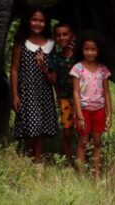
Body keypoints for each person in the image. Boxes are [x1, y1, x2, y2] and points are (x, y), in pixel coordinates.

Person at [10, 7, 59, 161]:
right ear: (28, 21)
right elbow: (14, 70)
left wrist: (43, 67)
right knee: (31, 125)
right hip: (27, 91)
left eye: (41, 20)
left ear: (46, 23)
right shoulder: (21, 43)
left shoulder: (51, 44)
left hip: (44, 91)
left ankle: (37, 159)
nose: (37, 23)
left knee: (41, 127)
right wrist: (15, 95)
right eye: (34, 19)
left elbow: (53, 73)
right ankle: (27, 157)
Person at [70, 30, 112, 177]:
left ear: (98, 50)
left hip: (99, 110)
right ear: (81, 50)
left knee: (97, 142)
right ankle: (80, 174)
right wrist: (80, 115)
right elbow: (75, 92)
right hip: (84, 110)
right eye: (86, 49)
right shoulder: (77, 69)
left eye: (93, 49)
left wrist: (109, 113)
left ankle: (97, 173)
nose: (90, 52)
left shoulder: (103, 69)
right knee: (82, 142)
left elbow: (106, 92)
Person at [38, 22, 76, 163]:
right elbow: (53, 80)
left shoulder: (79, 56)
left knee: (84, 130)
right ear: (55, 38)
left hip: (82, 99)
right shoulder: (55, 58)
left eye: (65, 34)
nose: (62, 38)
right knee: (67, 132)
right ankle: (69, 161)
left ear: (72, 36)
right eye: (58, 35)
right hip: (65, 99)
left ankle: (84, 159)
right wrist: (43, 67)